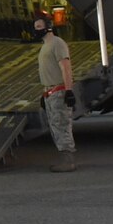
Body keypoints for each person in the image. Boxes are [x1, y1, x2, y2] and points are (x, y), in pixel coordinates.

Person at [34, 10, 76, 172]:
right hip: (50, 92)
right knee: (55, 125)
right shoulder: (45, 46)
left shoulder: (57, 44)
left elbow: (65, 67)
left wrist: (68, 90)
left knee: (61, 125)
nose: (36, 30)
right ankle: (64, 158)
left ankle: (68, 161)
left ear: (48, 27)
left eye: (39, 26)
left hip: (58, 91)